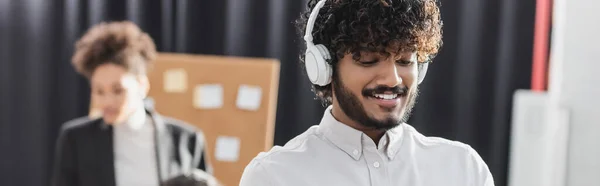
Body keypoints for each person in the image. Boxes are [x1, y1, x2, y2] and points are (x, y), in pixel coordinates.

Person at [239, 0, 494, 185]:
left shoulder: (463, 169)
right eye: (369, 59)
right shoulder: (273, 176)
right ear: (324, 67)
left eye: (405, 61)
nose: (393, 78)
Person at [51, 21, 212, 186]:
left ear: (142, 86)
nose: (107, 101)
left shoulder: (186, 139)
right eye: (99, 91)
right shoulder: (76, 140)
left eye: (118, 90)